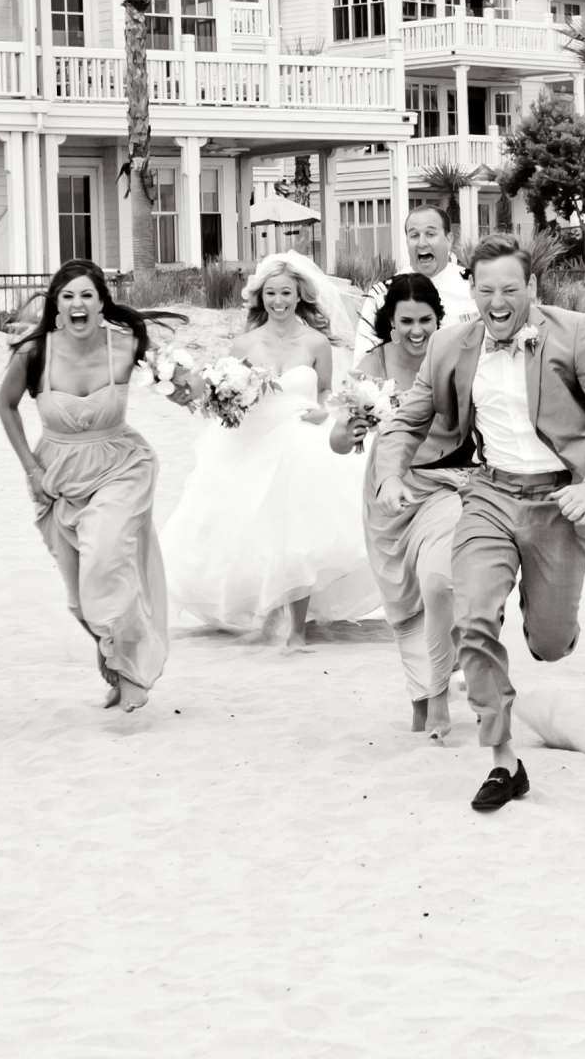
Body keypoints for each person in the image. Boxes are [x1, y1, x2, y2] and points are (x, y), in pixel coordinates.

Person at [375, 232, 585, 813]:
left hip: (559, 502)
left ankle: (547, 625)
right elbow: (408, 420)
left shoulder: (574, 334)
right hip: (490, 495)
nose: (498, 301)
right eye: (486, 287)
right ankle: (503, 759)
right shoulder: (451, 345)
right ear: (471, 288)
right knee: (471, 617)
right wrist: (391, 472)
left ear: (532, 288)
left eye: (510, 289)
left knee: (550, 643)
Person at [163, 250, 377, 648]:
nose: (278, 301)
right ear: (260, 297)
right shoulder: (242, 344)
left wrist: (322, 409)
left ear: (300, 296)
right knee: (257, 531)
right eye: (271, 294)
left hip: (301, 440)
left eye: (287, 293)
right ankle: (268, 613)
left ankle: (296, 630)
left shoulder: (316, 343)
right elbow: (219, 394)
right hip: (251, 441)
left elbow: (329, 389)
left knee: (300, 529)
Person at [0, 260, 176, 712]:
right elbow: (6, 405)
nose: (78, 304)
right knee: (81, 598)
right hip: (56, 476)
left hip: (121, 466)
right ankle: (114, 660)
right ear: (57, 305)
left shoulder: (128, 344)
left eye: (87, 296)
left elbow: (176, 381)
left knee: (105, 558)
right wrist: (31, 470)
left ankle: (135, 674)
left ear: (101, 304)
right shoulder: (34, 353)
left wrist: (205, 392)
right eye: (68, 296)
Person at [331, 272, 469, 738]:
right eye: (405, 320)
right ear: (389, 323)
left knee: (438, 580)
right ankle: (426, 700)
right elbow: (337, 437)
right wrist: (348, 434)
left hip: (444, 485)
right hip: (388, 498)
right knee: (404, 605)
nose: (416, 330)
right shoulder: (371, 364)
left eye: (425, 320)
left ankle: (442, 690)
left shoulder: (454, 357)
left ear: (438, 320)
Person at [357, 204, 473, 353]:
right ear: (407, 241)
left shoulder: (475, 286)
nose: (422, 243)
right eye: (414, 235)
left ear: (449, 239)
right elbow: (364, 359)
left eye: (430, 234)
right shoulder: (382, 295)